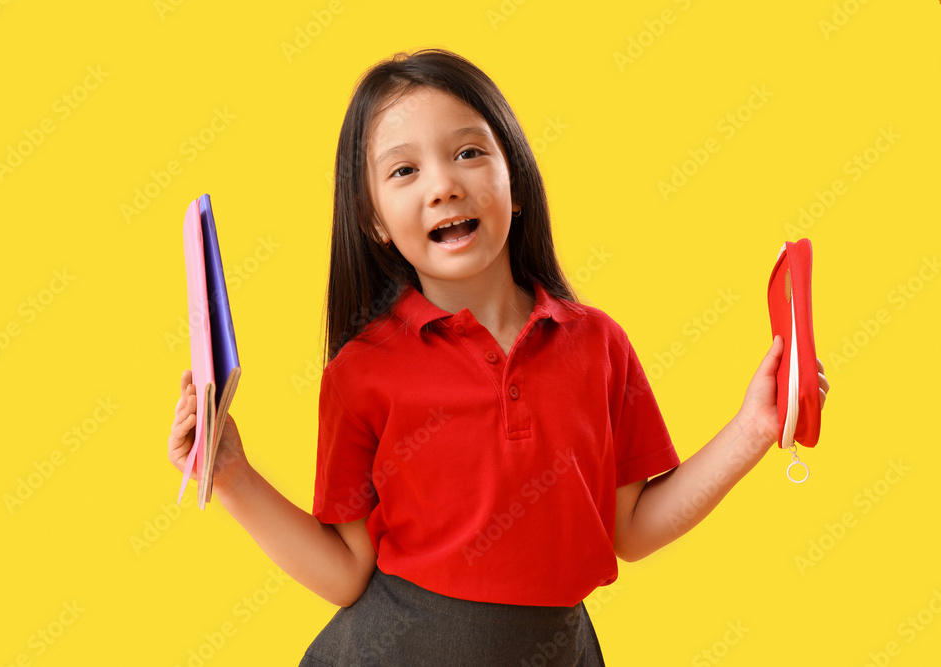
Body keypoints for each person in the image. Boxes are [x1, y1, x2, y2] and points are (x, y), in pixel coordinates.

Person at [167, 48, 829, 666]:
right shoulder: (362, 371)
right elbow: (343, 570)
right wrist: (230, 472)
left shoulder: (598, 345)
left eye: (468, 152)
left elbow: (631, 527)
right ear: (374, 219)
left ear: (516, 180)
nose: (443, 185)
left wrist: (753, 429)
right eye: (405, 169)